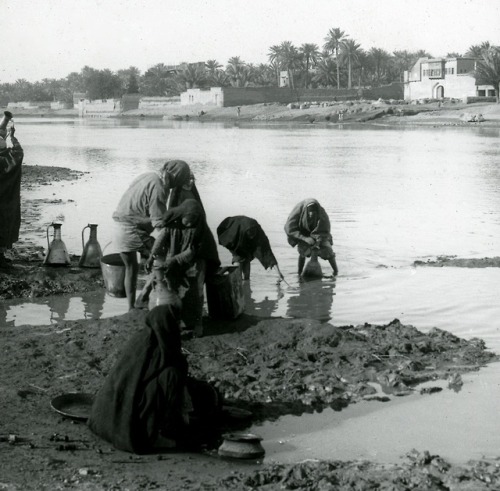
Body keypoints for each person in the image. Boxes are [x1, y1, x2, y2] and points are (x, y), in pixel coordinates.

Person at [88, 305, 222, 454]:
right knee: (172, 376)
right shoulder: (159, 350)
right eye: (176, 322)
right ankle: (158, 434)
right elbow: (176, 373)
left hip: (106, 417)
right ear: (166, 324)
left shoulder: (141, 339)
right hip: (128, 424)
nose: (181, 326)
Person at [112, 160, 191, 310]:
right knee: (163, 258)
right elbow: (159, 223)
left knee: (131, 268)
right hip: (131, 230)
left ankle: (131, 307)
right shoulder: (160, 187)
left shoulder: (149, 175)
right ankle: (153, 298)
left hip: (117, 226)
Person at [141, 199, 220, 334]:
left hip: (196, 262)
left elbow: (190, 253)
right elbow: (160, 240)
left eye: (193, 220)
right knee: (174, 287)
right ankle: (176, 322)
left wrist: (171, 261)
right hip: (174, 259)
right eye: (188, 220)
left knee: (195, 292)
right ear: (181, 216)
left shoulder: (199, 229)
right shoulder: (172, 224)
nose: (190, 224)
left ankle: (197, 325)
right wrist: (151, 256)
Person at [216, 215, 284, 281]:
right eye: (250, 234)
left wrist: (279, 273)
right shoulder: (235, 235)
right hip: (237, 236)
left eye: (253, 234)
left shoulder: (259, 234)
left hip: (246, 237)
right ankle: (242, 285)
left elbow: (268, 253)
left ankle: (244, 283)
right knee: (238, 272)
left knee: (246, 272)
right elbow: (228, 241)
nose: (251, 236)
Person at [284, 198, 339, 277]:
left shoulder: (322, 214)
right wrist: (304, 238)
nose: (311, 216)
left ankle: (336, 272)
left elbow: (325, 230)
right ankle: (299, 273)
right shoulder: (297, 211)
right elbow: (290, 229)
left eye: (313, 214)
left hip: (319, 234)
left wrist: (317, 242)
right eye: (309, 214)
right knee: (302, 251)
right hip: (303, 233)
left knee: (328, 250)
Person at [0, 123, 24, 268]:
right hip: (8, 202)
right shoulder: (12, 158)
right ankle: (1, 256)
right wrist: (12, 136)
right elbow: (18, 151)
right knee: (5, 226)